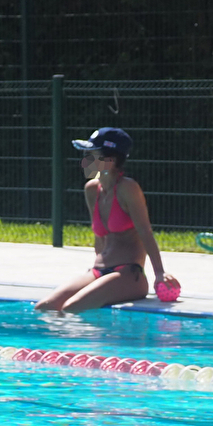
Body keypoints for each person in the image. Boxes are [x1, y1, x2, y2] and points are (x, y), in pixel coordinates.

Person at [36, 127, 180, 313]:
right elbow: (99, 238)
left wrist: (160, 273)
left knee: (72, 308)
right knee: (45, 307)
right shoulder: (91, 189)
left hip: (128, 275)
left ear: (110, 162)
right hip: (98, 272)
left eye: (91, 156)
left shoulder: (128, 188)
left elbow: (145, 231)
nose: (84, 162)